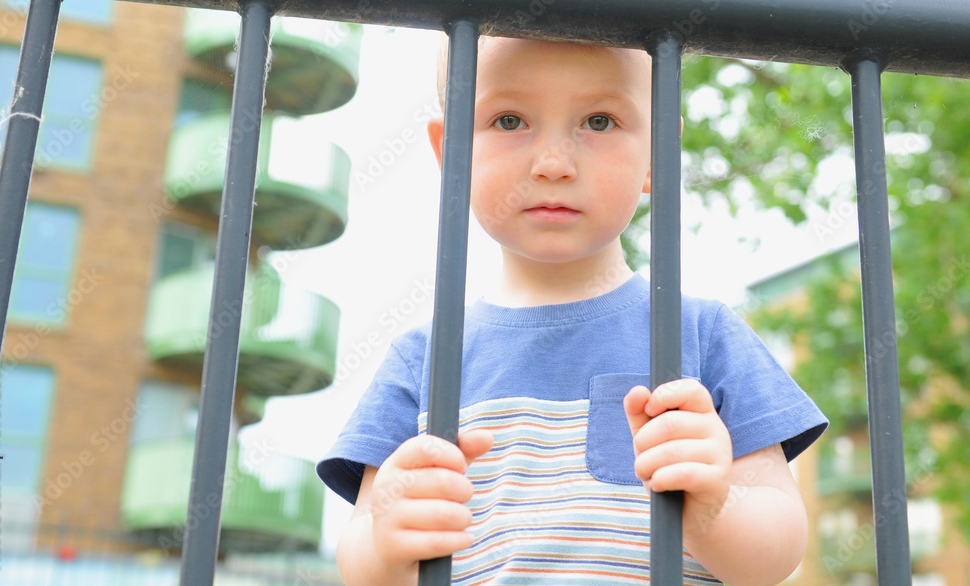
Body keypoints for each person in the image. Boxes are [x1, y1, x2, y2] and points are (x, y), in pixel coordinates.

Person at [317, 34, 828, 585]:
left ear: (658, 152)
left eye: (600, 121)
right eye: (510, 121)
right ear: (451, 153)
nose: (554, 163)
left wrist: (714, 508)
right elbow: (360, 554)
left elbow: (781, 551)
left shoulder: (703, 334)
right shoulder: (422, 358)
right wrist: (387, 542)